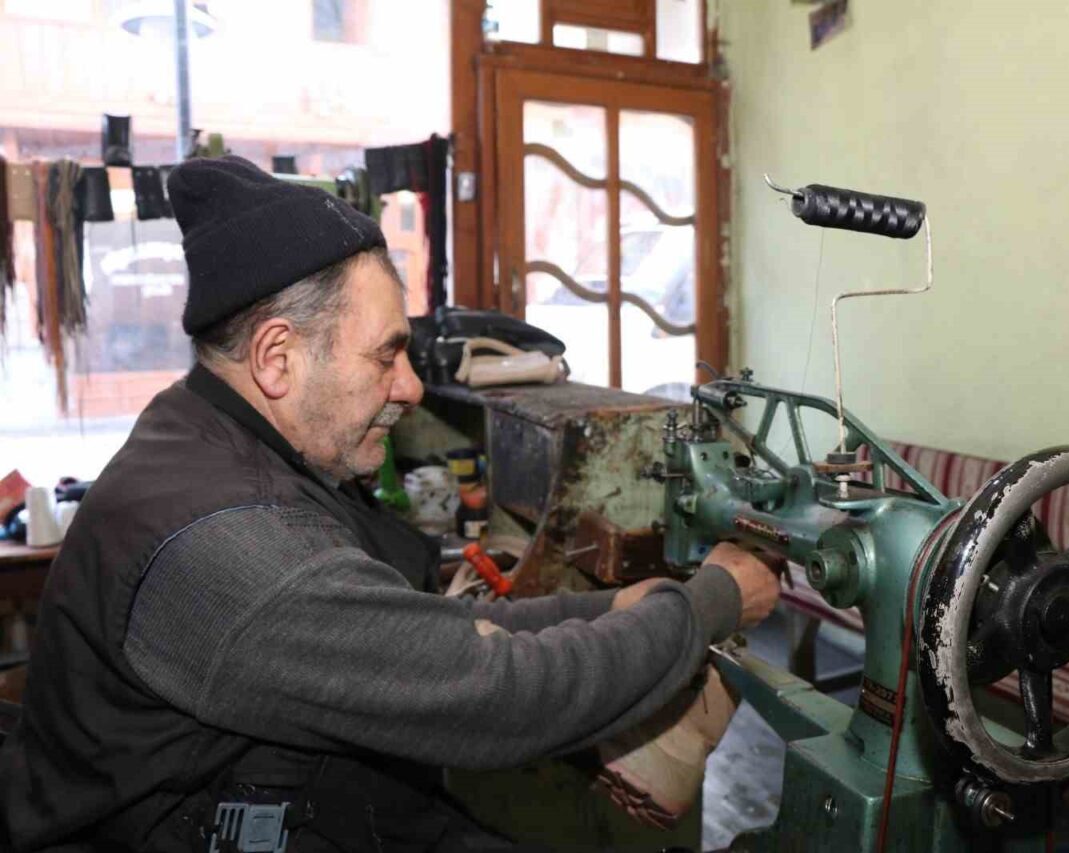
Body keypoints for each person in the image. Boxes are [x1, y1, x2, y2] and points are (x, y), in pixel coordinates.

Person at [0, 156, 780, 851]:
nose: (409, 387)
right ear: (277, 357)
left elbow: (420, 636)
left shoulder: (199, 432)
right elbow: (499, 692)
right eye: (386, 355)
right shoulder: (237, 552)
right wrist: (708, 601)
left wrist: (610, 607)